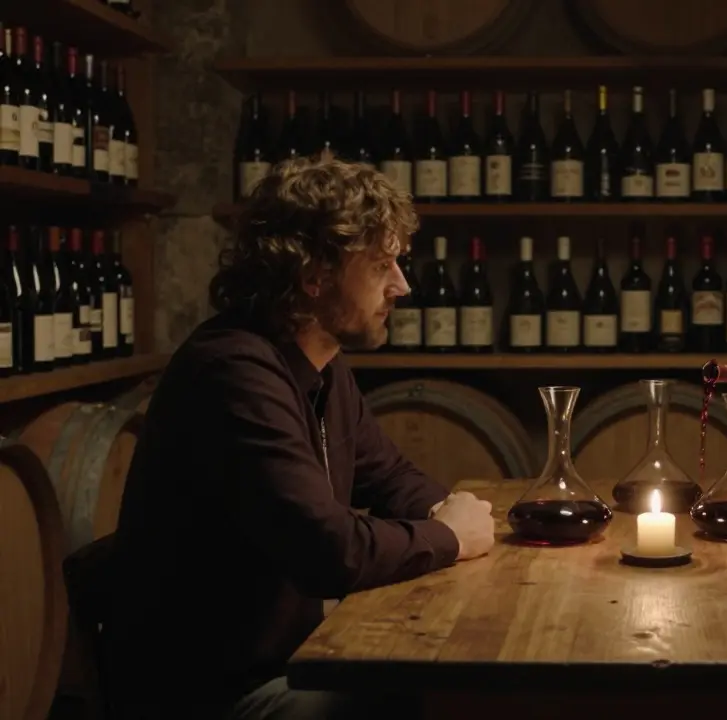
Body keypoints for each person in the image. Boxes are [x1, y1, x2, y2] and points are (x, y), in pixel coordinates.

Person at [102, 157, 496, 720]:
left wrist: (445, 509)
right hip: (212, 695)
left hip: (282, 661)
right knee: (438, 697)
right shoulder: (233, 371)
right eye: (381, 266)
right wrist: (449, 536)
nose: (402, 286)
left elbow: (387, 474)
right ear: (314, 276)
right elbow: (328, 551)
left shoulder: (321, 364)